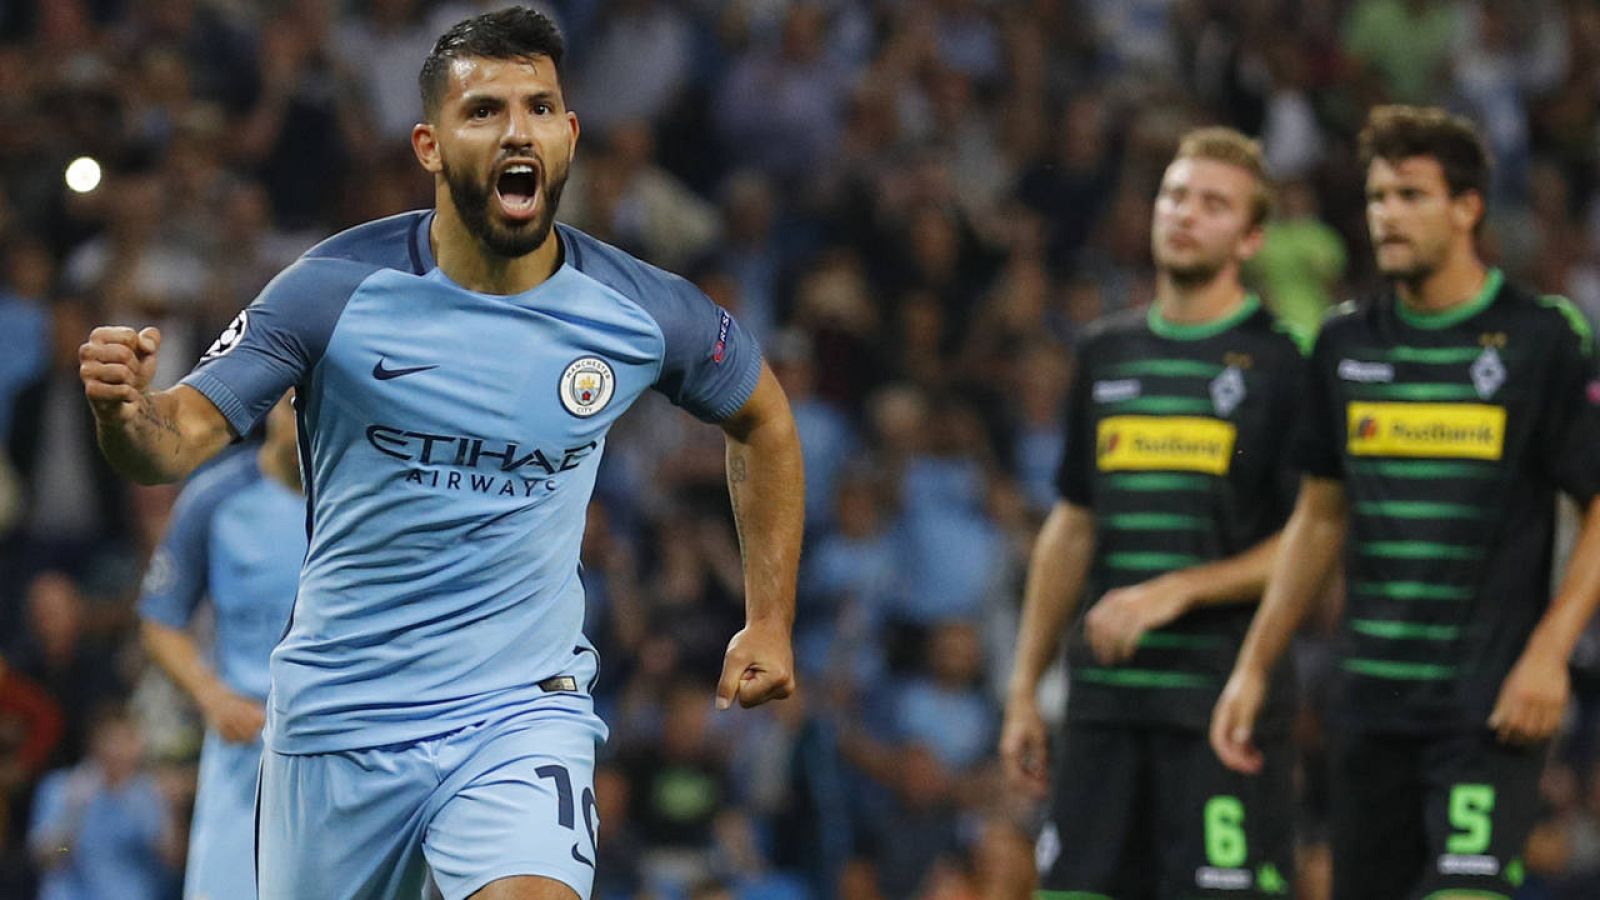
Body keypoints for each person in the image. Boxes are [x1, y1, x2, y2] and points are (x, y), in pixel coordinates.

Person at [77, 8, 803, 900]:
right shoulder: (330, 290)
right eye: (485, 110)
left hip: (520, 712)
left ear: (570, 134)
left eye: (539, 107)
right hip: (339, 722)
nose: (516, 130)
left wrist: (767, 616)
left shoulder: (642, 310)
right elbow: (172, 440)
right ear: (429, 144)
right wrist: (122, 410)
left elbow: (763, 418)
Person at [1211, 105, 1600, 900]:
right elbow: (1319, 519)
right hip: (1368, 711)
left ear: (1467, 208)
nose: (1387, 215)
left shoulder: (1540, 338)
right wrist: (1253, 666)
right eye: (1378, 197)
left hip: (1487, 706)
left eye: (1411, 195)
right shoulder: (1346, 343)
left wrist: (1549, 651)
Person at [1000, 127, 1304, 898]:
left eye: (1213, 204)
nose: (1185, 215)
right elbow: (1072, 526)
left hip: (1219, 706)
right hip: (1104, 704)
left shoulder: (1281, 363)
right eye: (1175, 196)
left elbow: (1312, 538)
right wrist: (1025, 686)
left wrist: (1179, 589)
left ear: (1251, 235)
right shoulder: (1106, 352)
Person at [137, 394, 304, 900]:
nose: (306, 423)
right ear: (273, 408)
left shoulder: (376, 498)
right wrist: (212, 697)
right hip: (244, 752)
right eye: (296, 405)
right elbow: (160, 618)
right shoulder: (217, 496)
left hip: (349, 746)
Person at [27, 707, 181, 900]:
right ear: (94, 743)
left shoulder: (151, 792)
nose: (121, 751)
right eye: (113, 741)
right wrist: (73, 814)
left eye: (129, 740)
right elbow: (50, 859)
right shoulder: (63, 788)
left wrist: (172, 809)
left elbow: (171, 860)